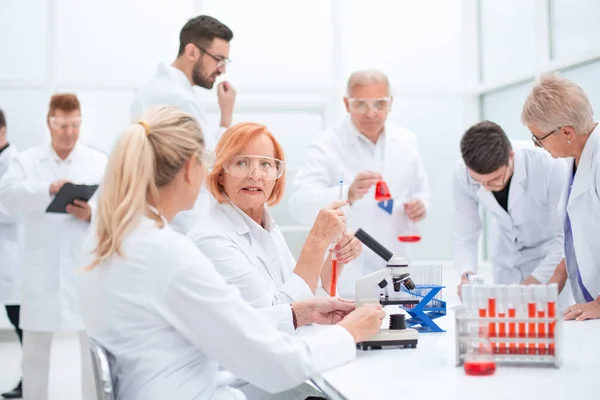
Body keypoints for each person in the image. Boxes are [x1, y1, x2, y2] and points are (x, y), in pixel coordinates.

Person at [77, 106, 385, 400]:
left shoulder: (115, 241)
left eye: (266, 164)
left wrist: (297, 313)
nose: (255, 174)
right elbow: (275, 363)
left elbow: (237, 325)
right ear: (189, 169)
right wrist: (350, 332)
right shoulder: (168, 254)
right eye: (210, 160)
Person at [189, 122, 363, 309]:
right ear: (220, 174)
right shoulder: (211, 239)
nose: (255, 175)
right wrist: (317, 241)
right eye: (241, 163)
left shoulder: (266, 226)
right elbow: (278, 315)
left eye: (265, 164)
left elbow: (306, 295)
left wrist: (336, 258)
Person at [0, 94, 106, 400]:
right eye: (62, 125)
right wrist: (46, 189)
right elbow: (7, 195)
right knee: (34, 354)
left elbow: (115, 205)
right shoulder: (27, 161)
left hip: (83, 269)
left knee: (92, 351)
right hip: (39, 271)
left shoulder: (98, 162)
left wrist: (92, 213)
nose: (69, 132)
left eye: (75, 125)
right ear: (49, 123)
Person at [289, 70, 430, 297]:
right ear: (346, 104)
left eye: (380, 104)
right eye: (361, 104)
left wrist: (421, 204)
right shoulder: (326, 145)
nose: (371, 113)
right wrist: (347, 193)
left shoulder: (406, 141)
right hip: (348, 276)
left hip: (398, 270)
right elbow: (299, 206)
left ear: (390, 103)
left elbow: (420, 189)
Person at [131, 15, 236, 234]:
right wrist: (226, 116)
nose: (222, 69)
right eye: (219, 59)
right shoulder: (179, 99)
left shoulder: (154, 89)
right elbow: (211, 161)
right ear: (191, 52)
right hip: (183, 223)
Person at [453, 121, 567, 295]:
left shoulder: (549, 164)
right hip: (505, 261)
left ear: (511, 155)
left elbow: (565, 236)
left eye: (495, 179)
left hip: (548, 260)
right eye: (479, 182)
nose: (487, 187)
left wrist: (535, 281)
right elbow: (465, 235)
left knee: (550, 318)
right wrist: (467, 274)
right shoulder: (462, 174)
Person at [522, 73, 600, 320]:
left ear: (567, 132)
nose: (537, 145)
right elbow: (575, 234)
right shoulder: (575, 159)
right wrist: (553, 284)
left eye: (539, 138)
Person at [0, 109, 23, 399]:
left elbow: (13, 206)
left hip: (12, 255)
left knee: (18, 319)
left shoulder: (14, 163)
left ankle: (28, 378)